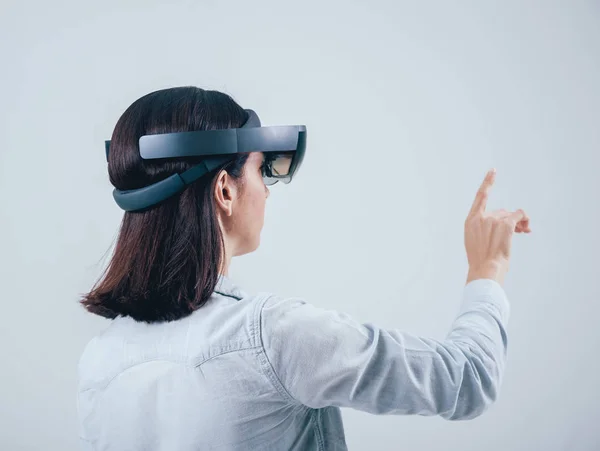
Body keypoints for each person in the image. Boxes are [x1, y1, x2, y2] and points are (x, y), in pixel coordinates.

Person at [77, 86, 531, 451]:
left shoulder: (101, 358)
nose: (269, 191)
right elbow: (467, 378)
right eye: (262, 170)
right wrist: (486, 268)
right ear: (225, 191)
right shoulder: (273, 336)